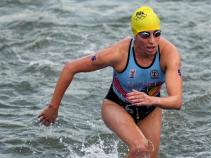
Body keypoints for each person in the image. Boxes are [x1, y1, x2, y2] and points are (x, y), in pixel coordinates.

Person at [38, 5, 182, 158]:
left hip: (150, 109)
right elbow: (70, 68)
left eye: (157, 34)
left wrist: (149, 100)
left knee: (149, 156)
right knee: (140, 147)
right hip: (117, 105)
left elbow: (177, 101)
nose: (152, 41)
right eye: (145, 35)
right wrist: (53, 107)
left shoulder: (168, 54)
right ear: (135, 35)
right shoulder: (117, 54)